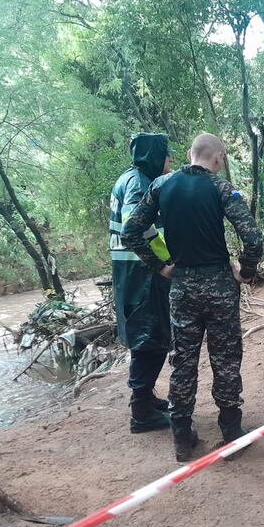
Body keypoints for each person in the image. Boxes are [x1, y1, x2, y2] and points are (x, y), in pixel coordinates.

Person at [122, 133, 263, 462]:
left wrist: (160, 266)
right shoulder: (220, 187)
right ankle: (231, 433)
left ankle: (182, 437)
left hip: (182, 286)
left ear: (190, 153)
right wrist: (246, 270)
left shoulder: (160, 185)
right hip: (219, 286)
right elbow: (253, 237)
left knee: (183, 361)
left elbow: (131, 231)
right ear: (217, 158)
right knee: (226, 360)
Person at [109, 132, 173, 434]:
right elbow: (136, 224)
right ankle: (141, 413)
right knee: (150, 339)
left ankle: (146, 398)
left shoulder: (129, 178)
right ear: (155, 157)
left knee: (147, 338)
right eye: (167, 156)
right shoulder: (139, 183)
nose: (170, 161)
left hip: (132, 274)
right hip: (142, 275)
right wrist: (164, 262)